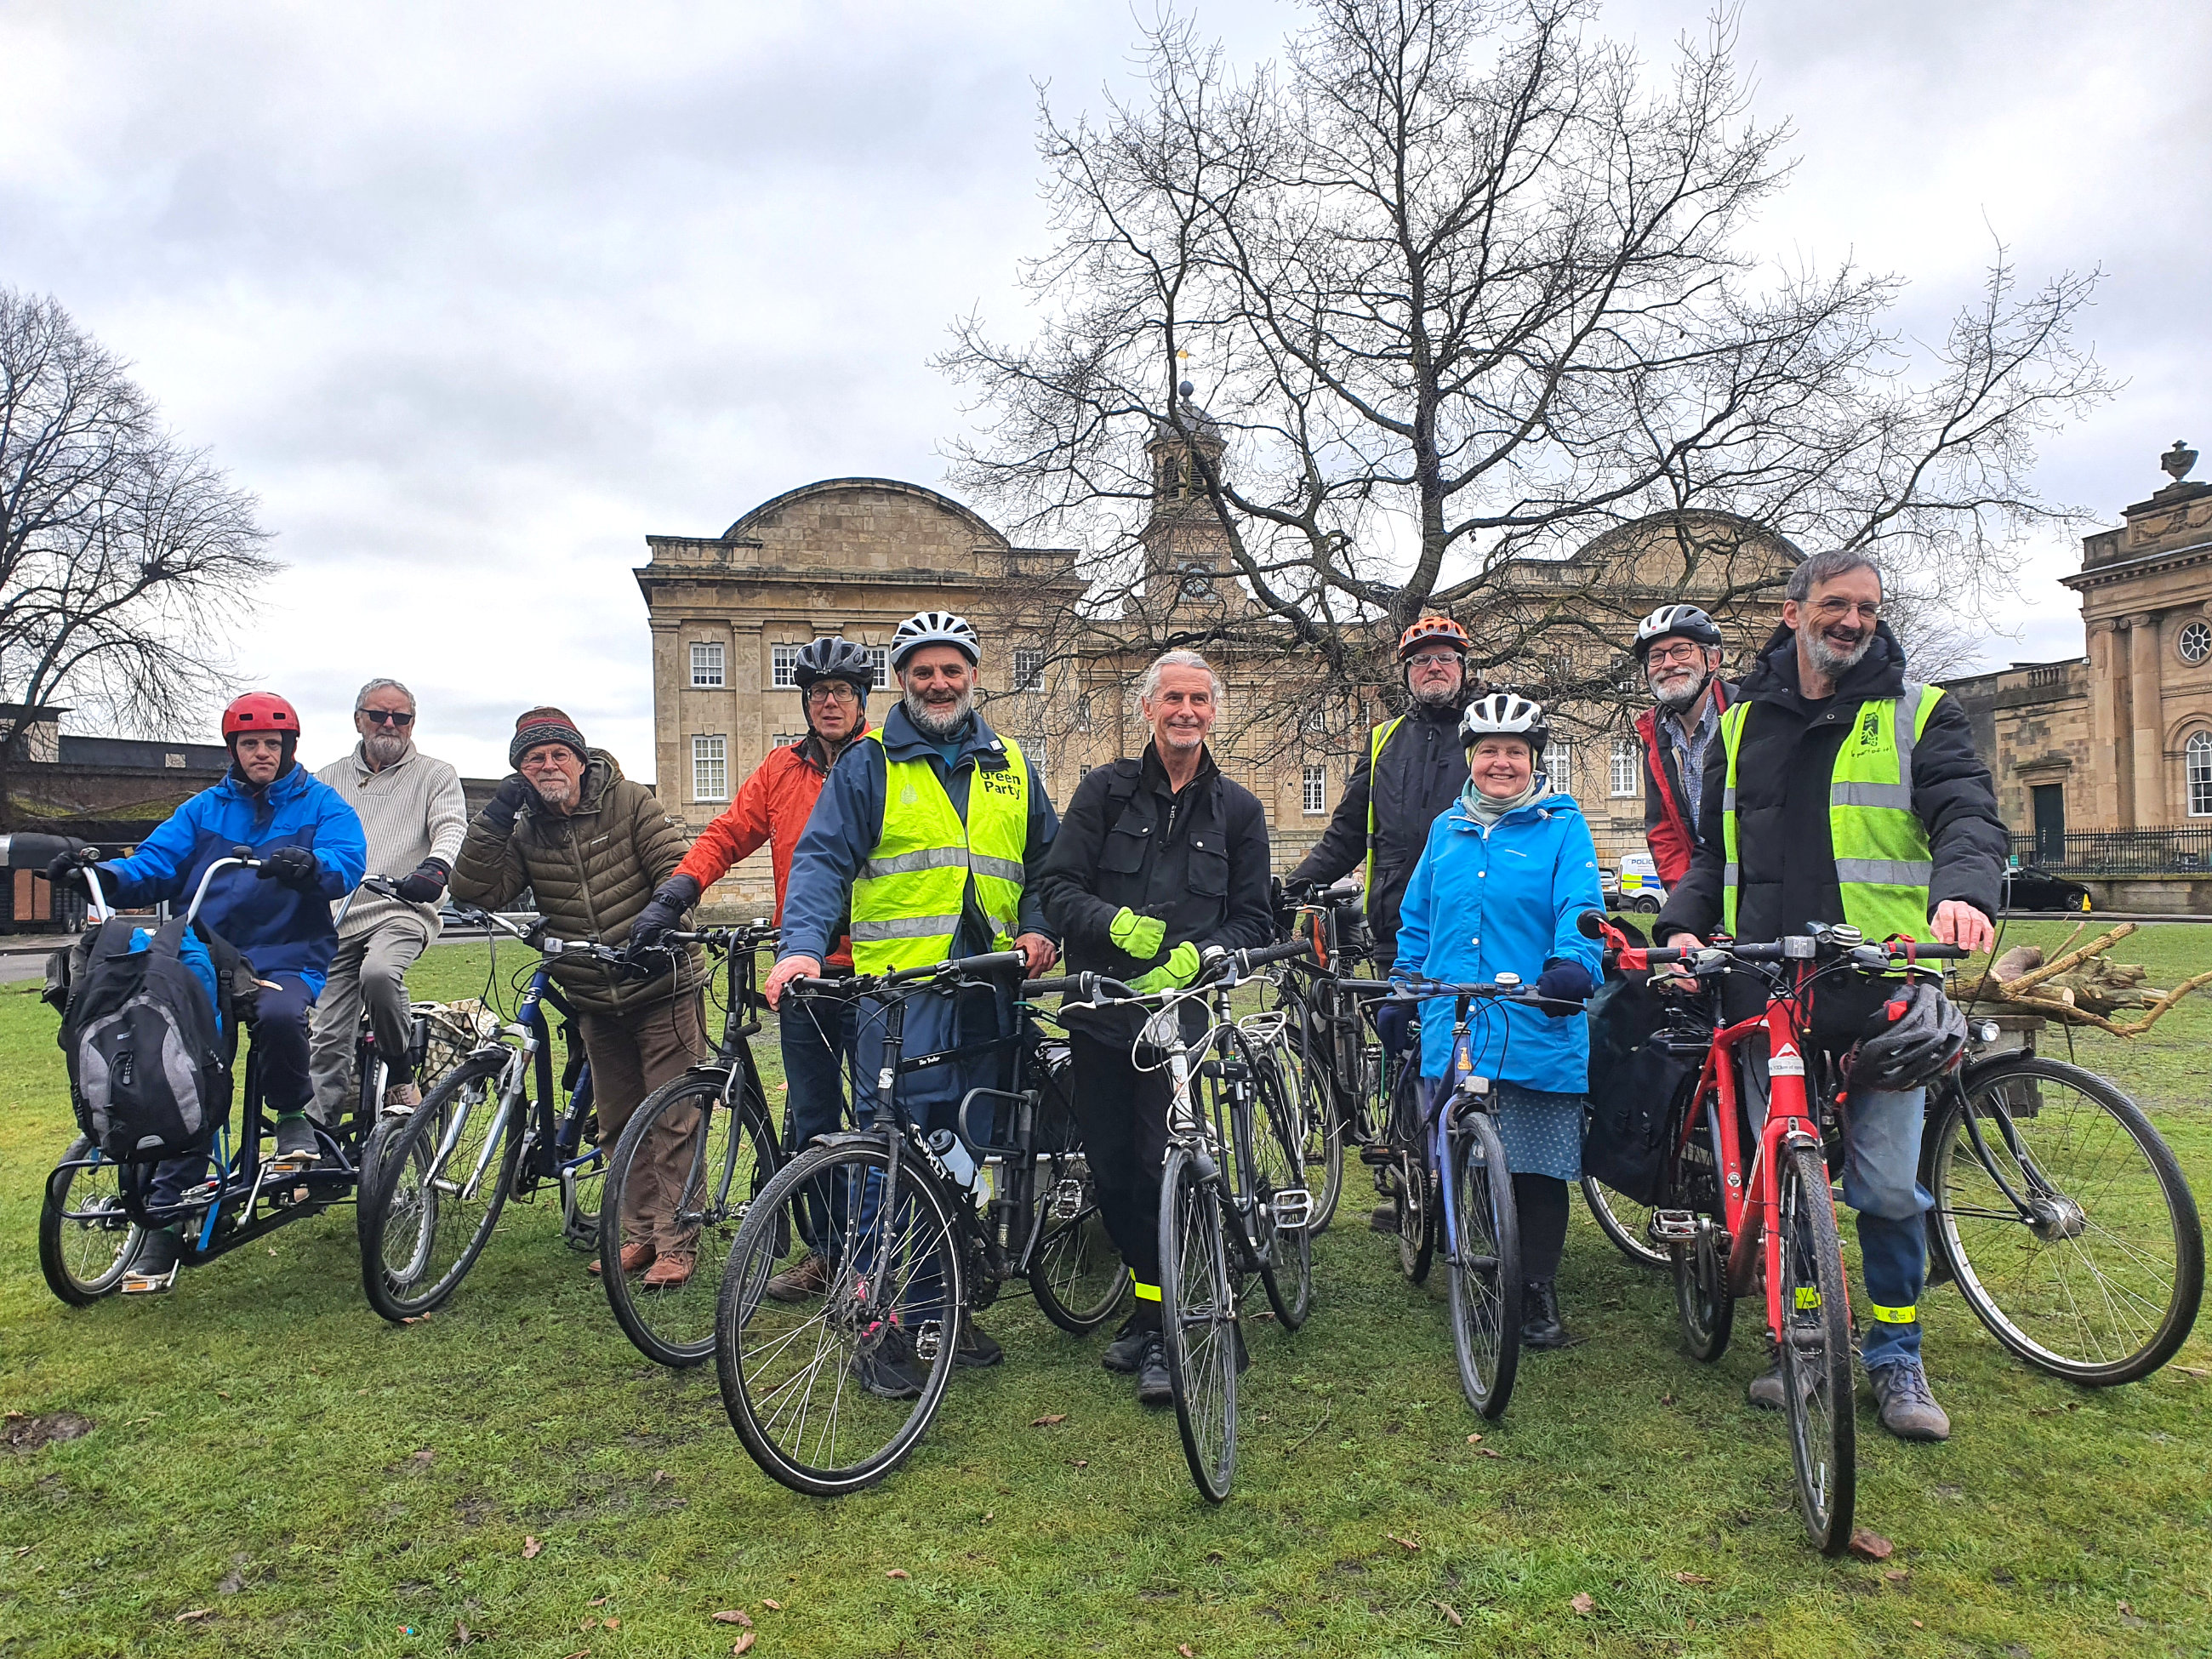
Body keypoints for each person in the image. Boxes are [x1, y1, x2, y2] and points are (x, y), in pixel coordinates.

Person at [1655, 550, 2004, 1441]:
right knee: (1778, 1183)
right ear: (1792, 611)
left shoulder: (1919, 712)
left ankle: (1894, 1356)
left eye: (1866, 608)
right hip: (1763, 984)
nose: (1851, 621)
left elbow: (1966, 811)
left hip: (1876, 984)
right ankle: (1801, 1336)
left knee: (1886, 1190)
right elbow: (1708, 855)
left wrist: (1961, 890)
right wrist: (1683, 926)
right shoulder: (1737, 731)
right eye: (1834, 605)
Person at [763, 609, 1059, 1393]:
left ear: (971, 675)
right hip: (902, 996)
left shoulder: (1011, 762)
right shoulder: (870, 764)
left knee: (966, 1156)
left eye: (951, 669)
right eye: (922, 671)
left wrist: (1038, 927)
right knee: (886, 1161)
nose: (938, 683)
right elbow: (824, 859)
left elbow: (1045, 864)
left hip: (991, 991)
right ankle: (874, 1323)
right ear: (902, 681)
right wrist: (800, 946)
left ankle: (939, 1311)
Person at [48, 692, 368, 1290]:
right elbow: (155, 862)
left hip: (287, 953)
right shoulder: (203, 810)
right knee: (183, 1065)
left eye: (272, 744)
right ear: (234, 750)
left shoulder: (323, 805)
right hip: (206, 954)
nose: (262, 753)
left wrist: (311, 866)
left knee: (277, 1014)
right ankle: (169, 1218)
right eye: (250, 744)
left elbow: (347, 860)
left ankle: (293, 1116)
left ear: (289, 748)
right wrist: (102, 875)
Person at [1035, 649, 1274, 1407]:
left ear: (1213, 711)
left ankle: (1177, 1329)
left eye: (1200, 700)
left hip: (1180, 1021)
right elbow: (1057, 888)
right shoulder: (1102, 793)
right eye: (1173, 697)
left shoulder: (1238, 809)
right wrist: (1111, 924)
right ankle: (1147, 1305)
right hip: (1102, 1013)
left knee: (1161, 1164)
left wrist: (1207, 955)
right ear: (1148, 707)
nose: (1186, 711)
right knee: (1115, 1175)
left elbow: (1253, 919)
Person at [626, 636, 873, 1301]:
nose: (829, 702)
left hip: (878, 965)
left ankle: (882, 1259)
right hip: (805, 967)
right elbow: (726, 834)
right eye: (818, 692)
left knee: (883, 1120)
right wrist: (676, 893)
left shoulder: (886, 760)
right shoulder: (780, 771)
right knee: (813, 1117)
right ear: (804, 701)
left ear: (861, 701)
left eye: (842, 692)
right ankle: (827, 1252)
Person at [448, 708, 708, 1288]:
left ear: (579, 758)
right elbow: (473, 889)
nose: (546, 766)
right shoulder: (525, 828)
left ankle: (677, 1240)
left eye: (556, 754)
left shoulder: (630, 801)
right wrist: (494, 816)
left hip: (661, 982)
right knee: (617, 1122)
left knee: (672, 1117)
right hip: (593, 992)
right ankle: (638, 1234)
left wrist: (661, 927)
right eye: (532, 758)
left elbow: (679, 870)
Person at [1392, 693, 1604, 1349]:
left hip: (1535, 1015)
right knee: (1469, 1159)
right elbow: (1419, 919)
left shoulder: (1563, 826)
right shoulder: (1445, 831)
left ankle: (1535, 1288)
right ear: (1471, 759)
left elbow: (1581, 905)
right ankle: (1482, 1264)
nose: (1502, 763)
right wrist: (1404, 987)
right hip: (1453, 1018)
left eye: (1515, 752)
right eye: (1489, 752)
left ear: (1534, 759)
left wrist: (1572, 963)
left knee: (1536, 1166)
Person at [1288, 615, 1480, 1229]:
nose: (1434, 667)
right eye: (1422, 659)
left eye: (1445, 658)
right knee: (1405, 1050)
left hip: (1480, 919)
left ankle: (1482, 1177)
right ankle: (1412, 1181)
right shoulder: (1384, 741)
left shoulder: (1487, 734)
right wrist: (1291, 886)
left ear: (1463, 668)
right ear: (1406, 673)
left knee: (1479, 1051)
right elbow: (1346, 834)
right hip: (1400, 923)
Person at [308, 677, 468, 1120]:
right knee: (325, 1035)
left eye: (402, 717)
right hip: (338, 916)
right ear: (359, 720)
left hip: (402, 908)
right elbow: (302, 837)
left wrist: (435, 869)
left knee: (378, 974)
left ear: (413, 724)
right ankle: (316, 1143)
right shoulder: (327, 780)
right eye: (379, 715)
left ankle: (400, 1074)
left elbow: (451, 826)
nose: (390, 724)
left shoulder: (436, 774)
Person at [1629, 605, 1736, 888]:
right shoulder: (1655, 733)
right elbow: (1664, 830)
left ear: (1712, 660)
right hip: (1702, 894)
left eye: (1680, 651)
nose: (1667, 664)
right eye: (1656, 656)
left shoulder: (1745, 716)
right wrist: (1686, 901)